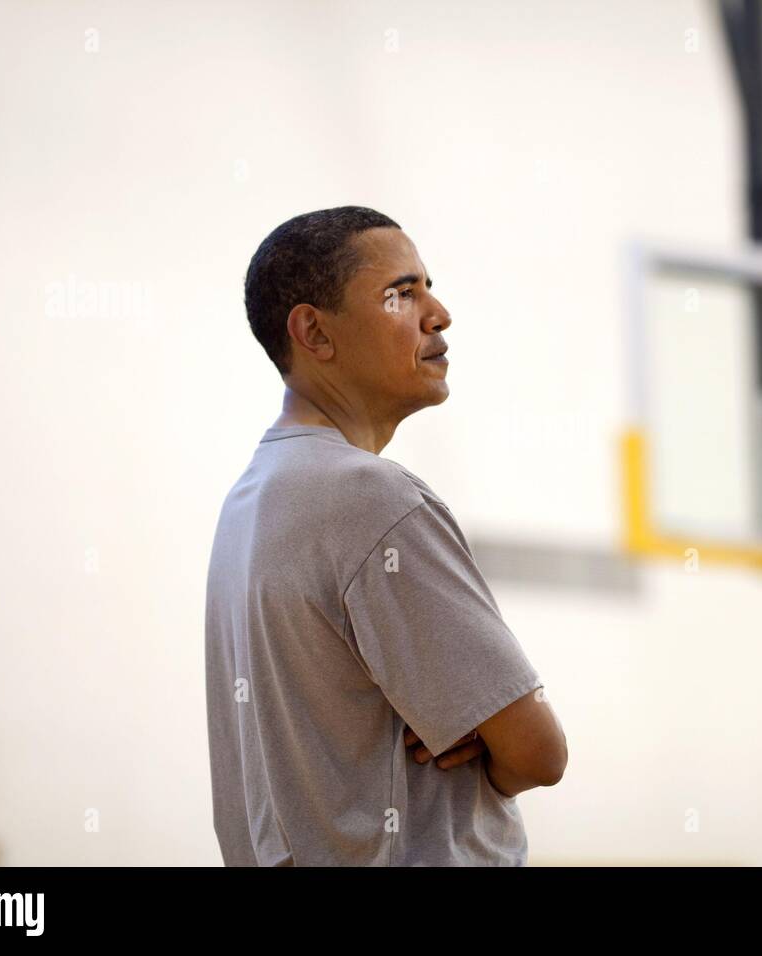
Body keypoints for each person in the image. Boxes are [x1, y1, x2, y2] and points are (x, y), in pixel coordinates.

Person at [205, 206, 567, 866]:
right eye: (401, 293)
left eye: (429, 286)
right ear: (314, 332)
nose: (439, 313)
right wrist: (491, 747)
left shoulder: (249, 500)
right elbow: (540, 753)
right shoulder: (374, 497)